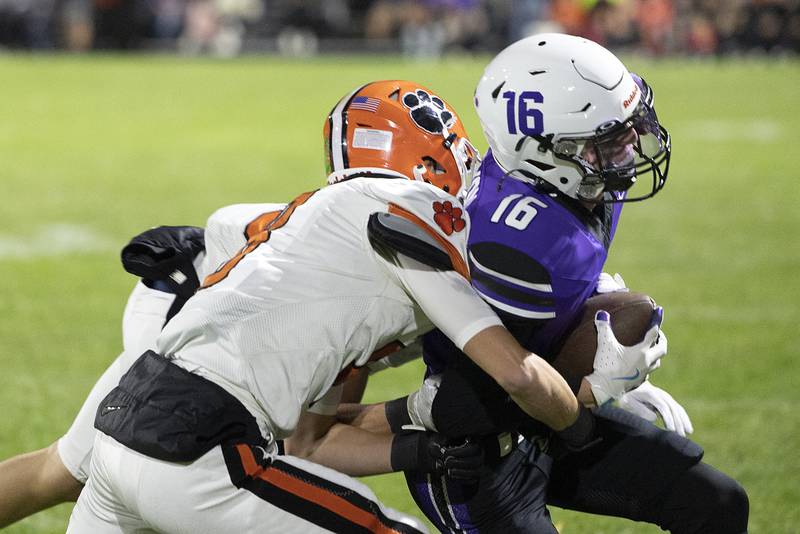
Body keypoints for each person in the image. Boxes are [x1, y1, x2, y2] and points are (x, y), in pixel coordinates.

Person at [63, 80, 661, 533]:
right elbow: (515, 371)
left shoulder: (321, 252)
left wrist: (423, 445)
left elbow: (310, 442)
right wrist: (584, 414)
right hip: (202, 446)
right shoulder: (413, 214)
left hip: (122, 425)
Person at [360, 34, 748, 533]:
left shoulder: (577, 183)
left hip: (543, 416)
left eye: (629, 130)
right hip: (475, 457)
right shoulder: (512, 242)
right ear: (543, 151)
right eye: (608, 140)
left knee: (716, 503)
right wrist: (595, 389)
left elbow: (560, 311)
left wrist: (601, 344)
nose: (629, 148)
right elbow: (467, 401)